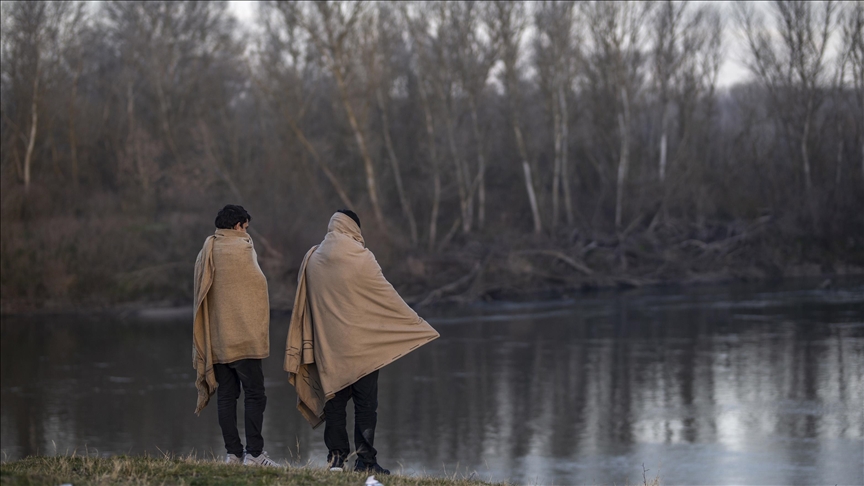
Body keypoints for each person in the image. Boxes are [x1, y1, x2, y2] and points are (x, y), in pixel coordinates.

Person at [285, 210, 439, 474]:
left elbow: (305, 306)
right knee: (366, 406)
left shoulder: (312, 259)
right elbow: (385, 296)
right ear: (353, 226)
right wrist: (414, 324)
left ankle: (336, 459)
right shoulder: (362, 257)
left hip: (328, 348)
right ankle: (365, 461)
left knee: (334, 404)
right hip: (364, 349)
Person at [192, 204, 279, 467]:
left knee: (227, 396)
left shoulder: (205, 251)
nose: (247, 232)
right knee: (255, 394)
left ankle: (233, 454)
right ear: (238, 225)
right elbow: (257, 286)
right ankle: (255, 454)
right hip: (243, 339)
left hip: (217, 338)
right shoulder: (242, 247)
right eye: (246, 227)